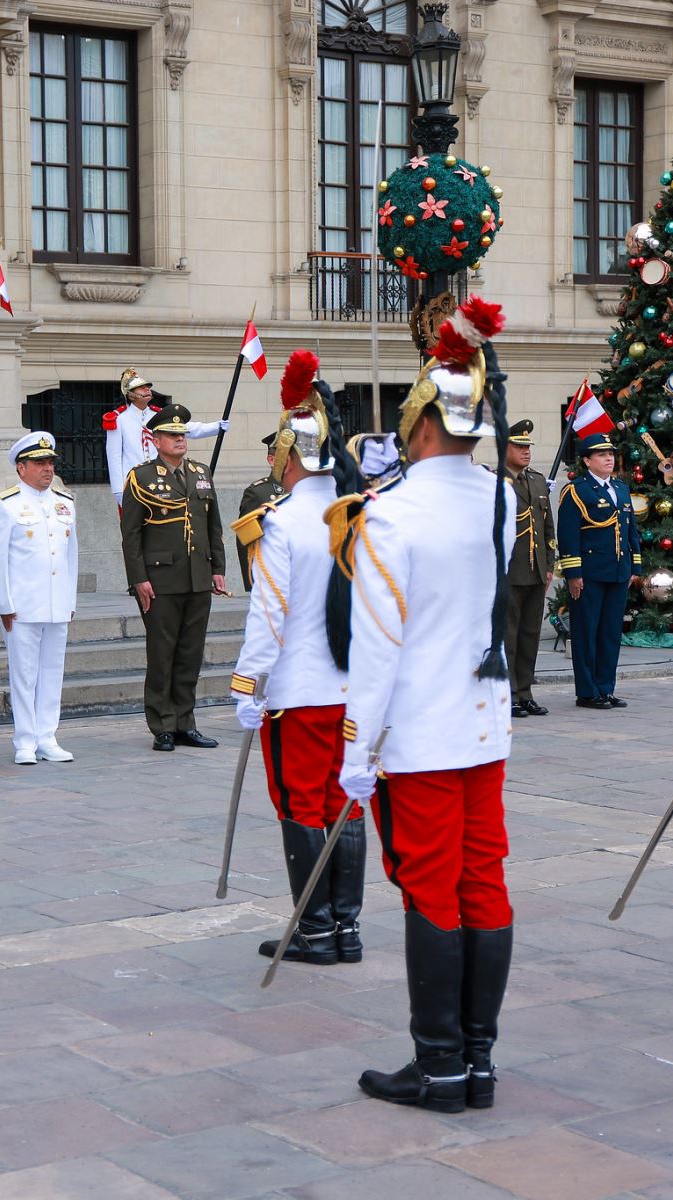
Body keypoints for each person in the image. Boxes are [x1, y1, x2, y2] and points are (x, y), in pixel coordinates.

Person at [337, 296, 516, 1113]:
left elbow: (376, 651)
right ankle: (476, 1062)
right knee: (484, 885)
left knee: (432, 891)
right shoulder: (501, 499)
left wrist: (354, 754)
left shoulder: (388, 514)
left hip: (419, 735)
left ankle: (438, 1065)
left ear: (417, 425)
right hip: (484, 728)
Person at [229, 350, 366, 966]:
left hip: (299, 691)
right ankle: (346, 927)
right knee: (344, 802)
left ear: (288, 459)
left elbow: (269, 613)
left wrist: (246, 682)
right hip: (352, 687)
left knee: (301, 803)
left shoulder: (281, 524)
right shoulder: (360, 515)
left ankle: (313, 929)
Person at [119, 403, 227, 752]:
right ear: (155, 438)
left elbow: (213, 526)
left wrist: (218, 569)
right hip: (160, 580)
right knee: (163, 653)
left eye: (182, 434)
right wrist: (139, 578)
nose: (179, 440)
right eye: (171, 435)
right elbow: (131, 534)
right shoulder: (141, 476)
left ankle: (185, 722)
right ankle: (162, 725)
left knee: (190, 654)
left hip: (197, 577)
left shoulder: (200, 472)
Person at [0, 431, 78, 765]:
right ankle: (24, 740)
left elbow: (71, 557)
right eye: (39, 463)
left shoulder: (65, 503)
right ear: (21, 468)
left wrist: (70, 601)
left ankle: (47, 736)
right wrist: (5, 605)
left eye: (50, 462)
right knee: (24, 675)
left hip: (56, 604)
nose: (47, 469)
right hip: (23, 606)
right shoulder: (5, 504)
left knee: (53, 672)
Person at [556, 431, 640, 709]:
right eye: (602, 454)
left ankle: (605, 688)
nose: (609, 458)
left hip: (618, 571)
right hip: (589, 573)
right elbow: (569, 535)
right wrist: (573, 574)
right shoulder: (576, 490)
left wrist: (634, 566)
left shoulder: (620, 489)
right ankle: (588, 692)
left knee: (610, 633)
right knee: (586, 632)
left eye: (611, 454)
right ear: (587, 460)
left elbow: (631, 532)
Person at [104, 368, 224, 508]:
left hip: (161, 477)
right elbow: (114, 457)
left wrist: (217, 427)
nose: (147, 389)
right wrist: (119, 490)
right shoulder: (119, 419)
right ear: (130, 395)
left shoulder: (158, 415)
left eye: (147, 387)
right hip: (134, 481)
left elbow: (187, 428)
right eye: (140, 388)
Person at [502, 420, 556, 717]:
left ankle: (525, 691)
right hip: (509, 570)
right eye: (519, 447)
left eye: (527, 447)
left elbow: (547, 527)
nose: (526, 452)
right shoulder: (496, 481)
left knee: (530, 634)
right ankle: (508, 692)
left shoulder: (536, 481)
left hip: (535, 571)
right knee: (508, 635)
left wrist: (549, 566)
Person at [235, 433, 287, 592]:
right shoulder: (258, 492)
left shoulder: (303, 489)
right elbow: (245, 540)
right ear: (271, 460)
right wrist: (252, 581)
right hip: (271, 577)